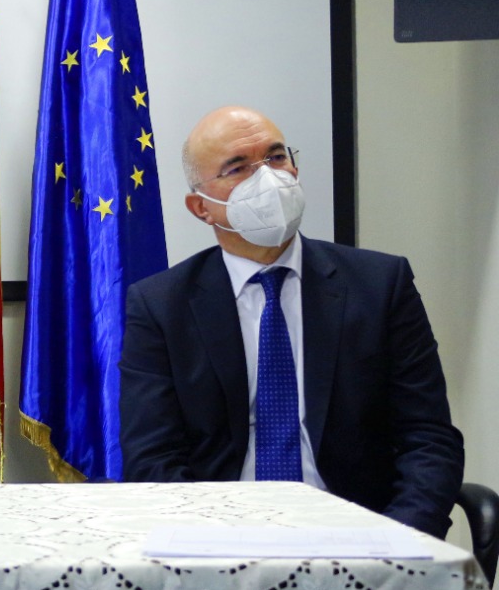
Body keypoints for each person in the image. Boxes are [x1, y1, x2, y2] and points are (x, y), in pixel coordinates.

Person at [119, 106, 464, 537]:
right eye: (238, 168)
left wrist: (398, 541)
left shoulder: (380, 285)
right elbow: (152, 456)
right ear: (202, 207)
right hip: (222, 535)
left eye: (276, 157)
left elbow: (428, 438)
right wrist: (213, 546)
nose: (267, 177)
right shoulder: (160, 305)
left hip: (358, 530)